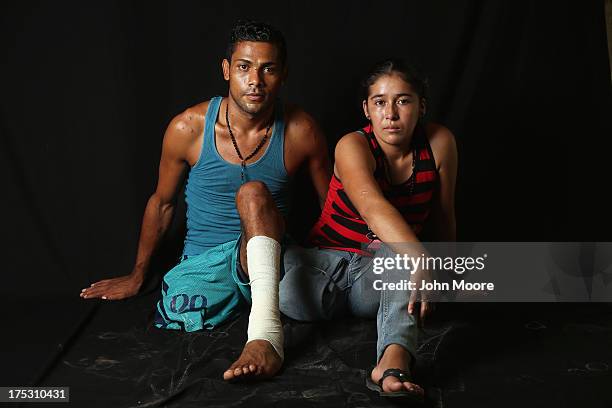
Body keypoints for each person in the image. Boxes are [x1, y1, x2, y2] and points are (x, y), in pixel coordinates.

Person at [79, 20, 331, 381]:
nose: (255, 80)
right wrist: (138, 274)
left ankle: (263, 337)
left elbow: (329, 207)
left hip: (274, 259)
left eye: (268, 69)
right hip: (206, 266)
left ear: (283, 74)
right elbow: (163, 204)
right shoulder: (188, 128)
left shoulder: (302, 131)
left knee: (254, 194)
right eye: (244, 67)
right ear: (227, 70)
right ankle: (261, 310)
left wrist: (341, 262)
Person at [279, 59, 457, 400]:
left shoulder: (439, 143)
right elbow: (374, 209)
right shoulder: (353, 145)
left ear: (421, 106)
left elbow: (444, 216)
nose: (390, 113)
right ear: (367, 109)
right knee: (287, 277)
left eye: (403, 100)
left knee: (398, 250)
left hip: (374, 279)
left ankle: (392, 362)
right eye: (379, 102)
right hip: (322, 271)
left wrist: (443, 276)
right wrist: (422, 259)